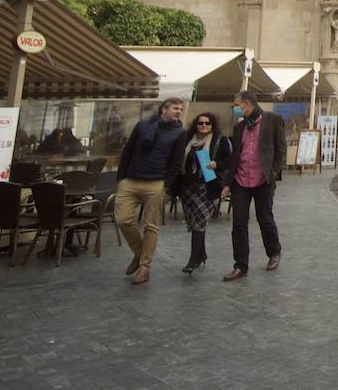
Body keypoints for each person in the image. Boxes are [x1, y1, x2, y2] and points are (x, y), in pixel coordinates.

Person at [114, 98, 187, 285]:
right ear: (164, 109)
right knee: (122, 219)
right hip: (131, 179)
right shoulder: (143, 126)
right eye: (175, 108)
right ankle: (139, 253)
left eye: (180, 109)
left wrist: (165, 184)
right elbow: (128, 151)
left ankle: (145, 267)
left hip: (155, 182)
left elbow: (176, 162)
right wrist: (121, 178)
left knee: (151, 225)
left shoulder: (179, 133)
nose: (178, 112)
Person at [220, 91, 286, 281]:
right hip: (241, 180)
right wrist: (227, 183)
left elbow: (280, 149)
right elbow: (235, 157)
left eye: (237, 104)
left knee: (264, 217)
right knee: (238, 222)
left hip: (263, 179)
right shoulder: (239, 127)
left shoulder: (273, 119)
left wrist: (273, 172)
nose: (235, 108)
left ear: (248, 103)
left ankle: (274, 252)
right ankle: (240, 265)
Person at [176, 112, 232, 274]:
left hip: (207, 186)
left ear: (212, 125)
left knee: (199, 222)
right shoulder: (188, 139)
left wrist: (217, 164)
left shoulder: (219, 140)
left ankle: (194, 259)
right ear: (196, 124)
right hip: (187, 186)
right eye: (201, 123)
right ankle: (201, 253)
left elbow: (229, 161)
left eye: (208, 123)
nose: (204, 126)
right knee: (193, 221)